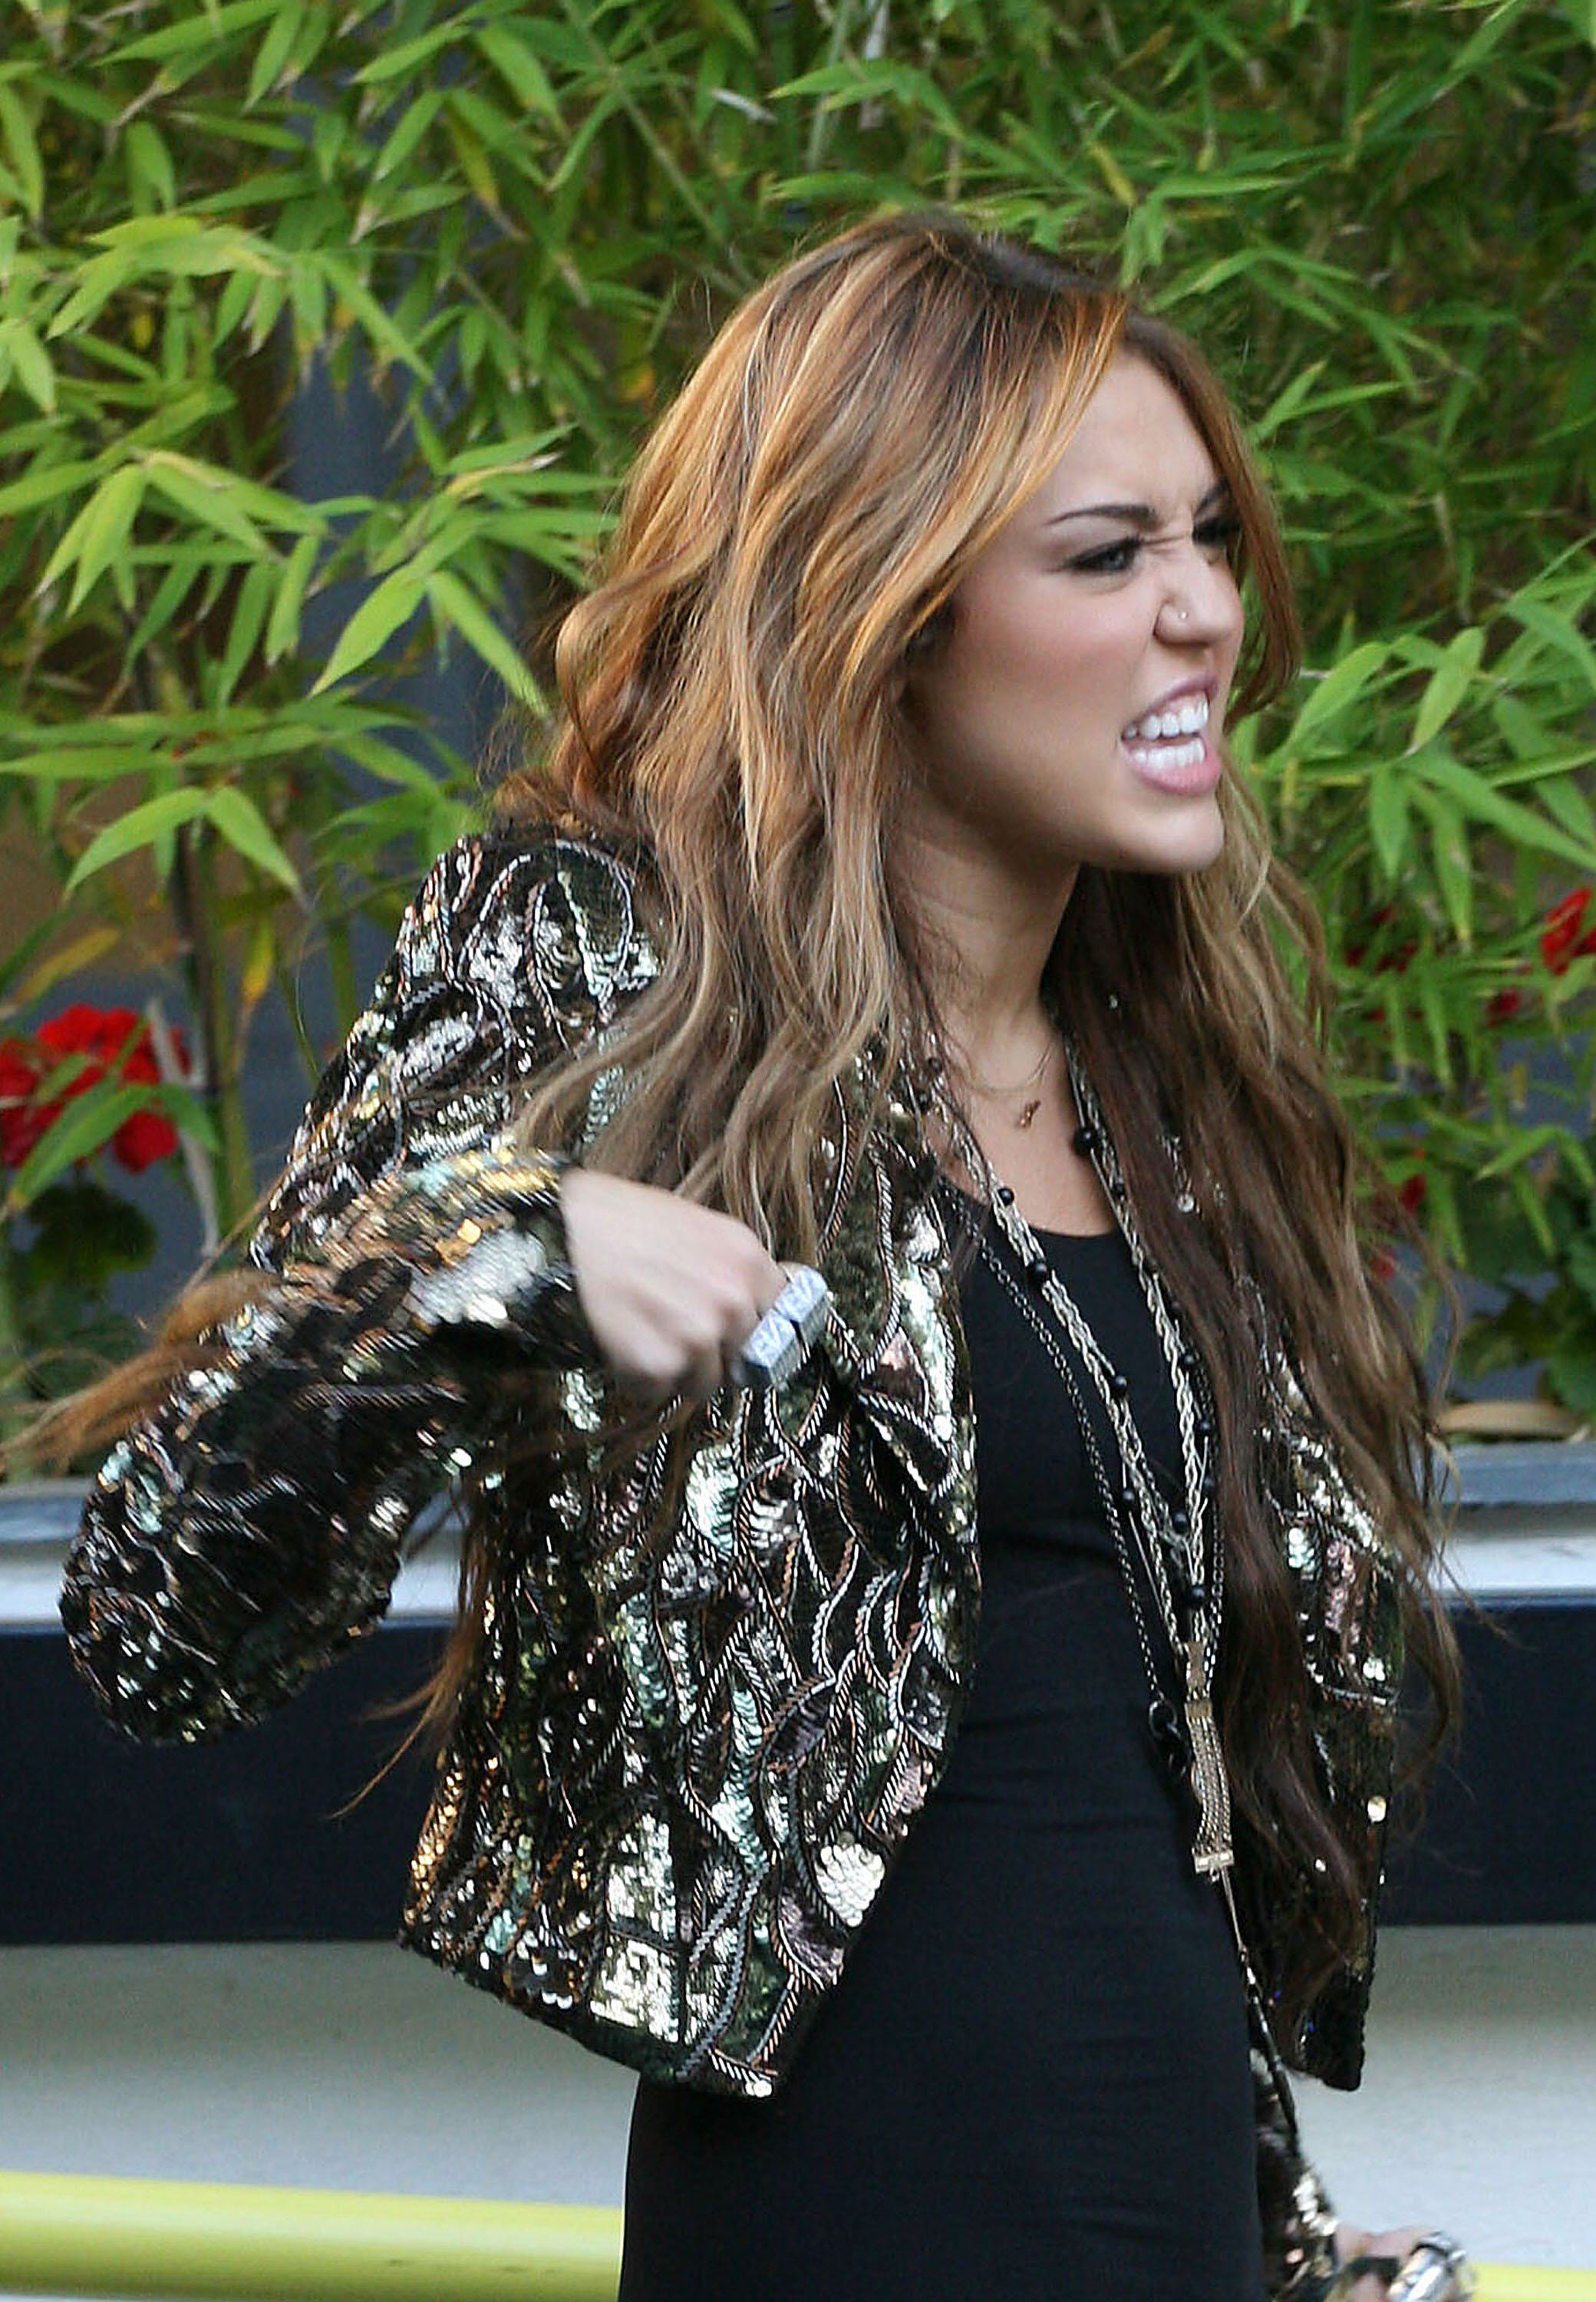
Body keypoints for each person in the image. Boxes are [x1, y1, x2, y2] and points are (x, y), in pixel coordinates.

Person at [30, 209, 1473, 2300]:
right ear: (881, 605)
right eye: (1105, 556)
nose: (1205, 613)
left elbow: (1128, 1773)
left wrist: (1282, 2234)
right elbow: (151, 1617)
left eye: (1213, 539)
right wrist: (501, 1263)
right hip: (855, 2228)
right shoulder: (611, 975)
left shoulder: (1162, 1082)